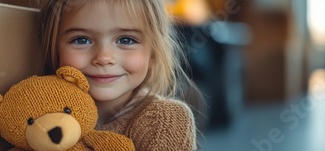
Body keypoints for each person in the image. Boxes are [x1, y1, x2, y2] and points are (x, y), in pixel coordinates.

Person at [36, 0, 204, 150]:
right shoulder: (38, 114)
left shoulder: (165, 120)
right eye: (81, 40)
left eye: (126, 40)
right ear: (55, 51)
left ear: (153, 53)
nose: (103, 58)